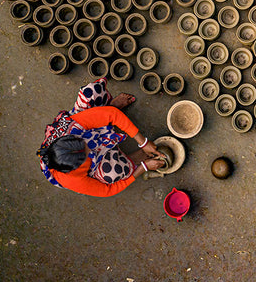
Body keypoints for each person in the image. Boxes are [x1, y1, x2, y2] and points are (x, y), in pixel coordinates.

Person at [37, 77, 165, 196]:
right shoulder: (71, 179)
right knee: (115, 173)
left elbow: (113, 115)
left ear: (71, 137)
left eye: (84, 144)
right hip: (94, 161)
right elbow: (108, 190)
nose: (90, 148)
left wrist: (143, 142)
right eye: (86, 153)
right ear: (77, 166)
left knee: (92, 92)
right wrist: (144, 168)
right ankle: (133, 160)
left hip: (86, 129)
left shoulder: (71, 128)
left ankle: (110, 107)